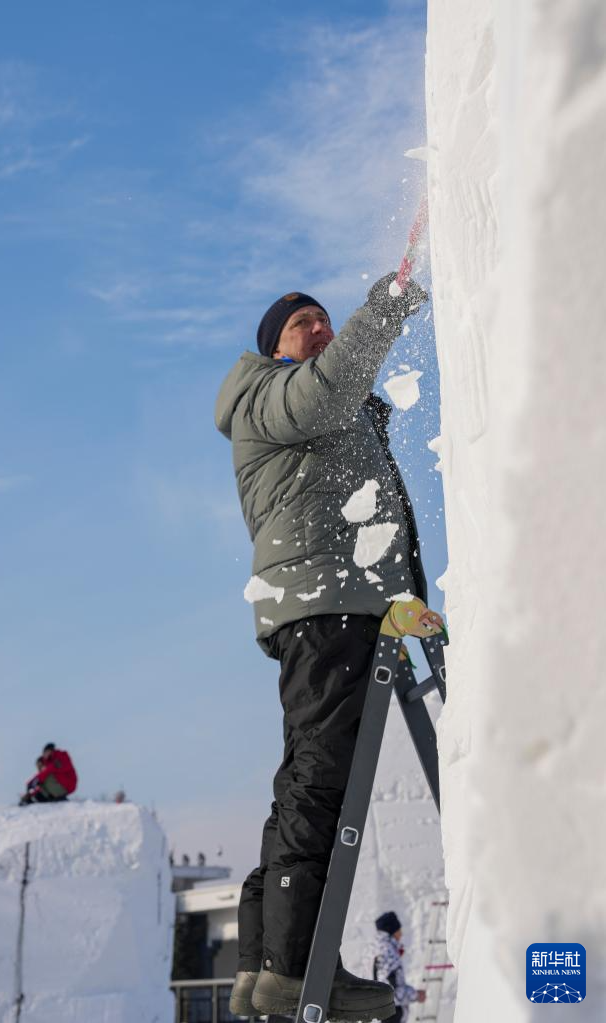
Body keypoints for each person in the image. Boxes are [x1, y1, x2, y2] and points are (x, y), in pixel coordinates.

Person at [215, 272, 429, 1020]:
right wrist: (388, 305)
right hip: (326, 603)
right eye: (303, 322)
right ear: (274, 347)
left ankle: (266, 967)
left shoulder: (321, 405)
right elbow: (328, 390)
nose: (320, 329)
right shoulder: (268, 394)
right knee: (319, 785)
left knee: (304, 784)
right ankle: (299, 967)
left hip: (336, 603)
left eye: (325, 319)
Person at [362, 912, 427, 1022]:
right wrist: (416, 995)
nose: (401, 934)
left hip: (379, 1013)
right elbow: (391, 994)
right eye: (399, 930)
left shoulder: (373, 949)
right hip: (391, 1015)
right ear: (392, 931)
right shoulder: (387, 952)